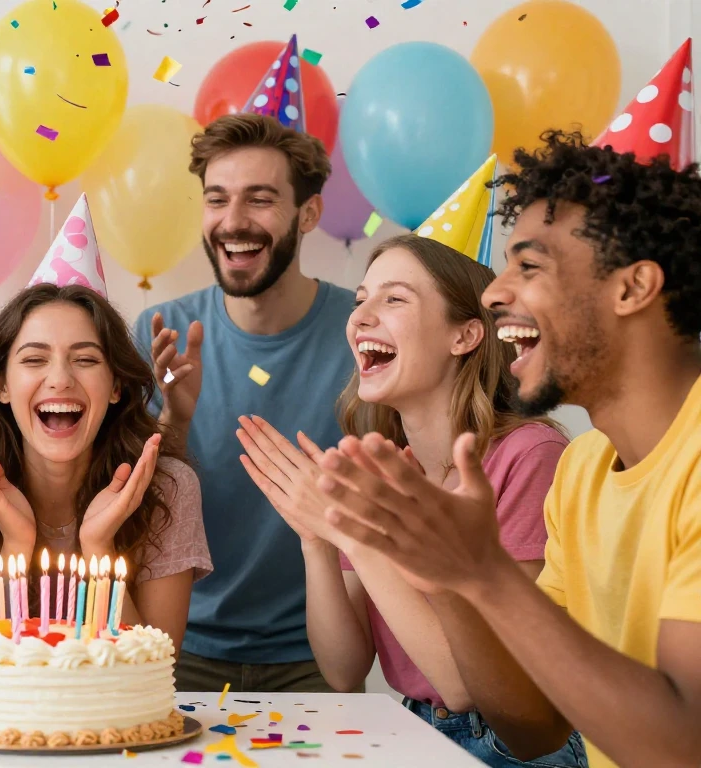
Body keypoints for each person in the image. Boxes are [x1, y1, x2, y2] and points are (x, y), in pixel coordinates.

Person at [312, 131, 701, 768]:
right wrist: (459, 572)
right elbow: (534, 731)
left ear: (632, 289)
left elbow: (682, 746)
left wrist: (482, 573)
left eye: (531, 265)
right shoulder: (582, 472)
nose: (494, 293)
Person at [239, 234, 585, 766]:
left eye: (393, 299)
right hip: (411, 725)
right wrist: (316, 539)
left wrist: (356, 535)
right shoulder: (382, 468)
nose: (360, 318)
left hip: (517, 746)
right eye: (360, 300)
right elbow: (344, 668)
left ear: (466, 335)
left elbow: (465, 685)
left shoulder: (529, 456)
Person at [133, 113, 357, 691]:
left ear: (308, 213)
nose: (233, 222)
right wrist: (174, 418)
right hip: (175, 647)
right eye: (217, 199)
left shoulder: (363, 336)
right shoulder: (160, 333)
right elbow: (132, 513)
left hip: (317, 656)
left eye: (259, 200)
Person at [0, 284, 212, 645]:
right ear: (2, 385)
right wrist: (16, 544)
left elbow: (156, 666)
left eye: (86, 360)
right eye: (34, 360)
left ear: (115, 386)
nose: (61, 379)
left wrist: (99, 548)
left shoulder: (168, 488)